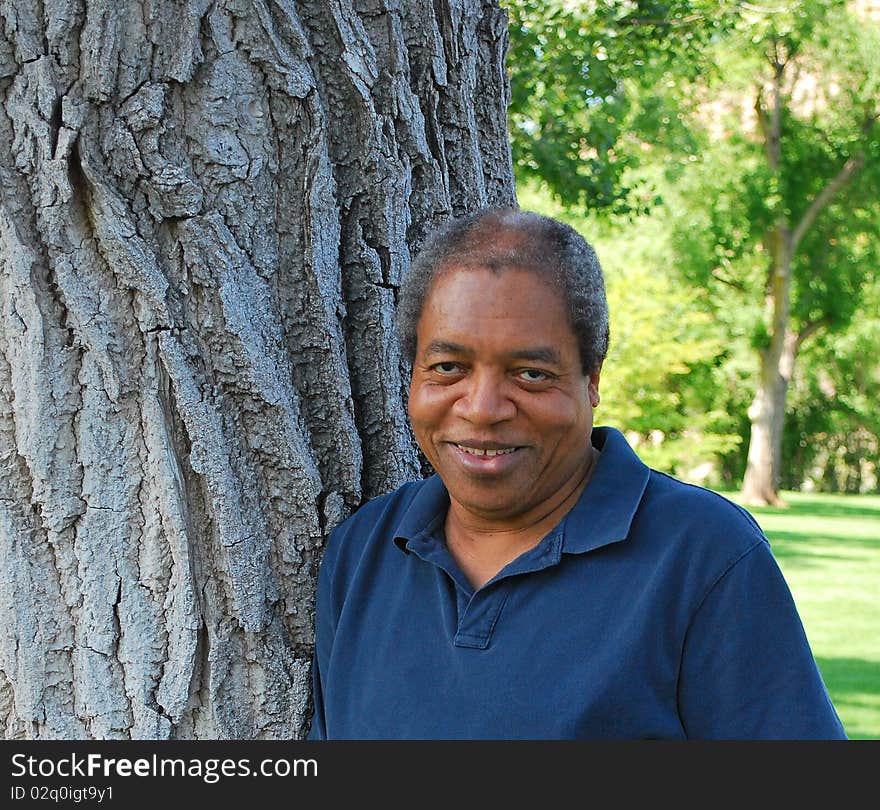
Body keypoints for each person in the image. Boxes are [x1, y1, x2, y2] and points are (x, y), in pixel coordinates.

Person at [307, 206, 847, 740]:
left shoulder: (703, 556)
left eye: (531, 373)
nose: (482, 407)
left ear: (591, 378)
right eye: (449, 367)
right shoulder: (363, 553)